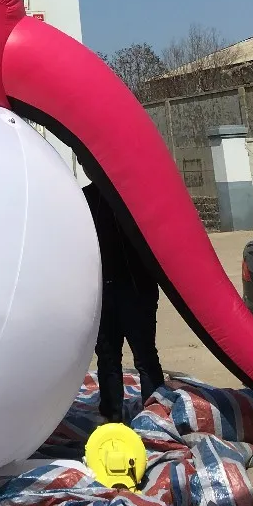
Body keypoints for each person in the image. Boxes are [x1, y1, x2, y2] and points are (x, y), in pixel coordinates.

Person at [83, 179, 165, 423]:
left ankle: (155, 416)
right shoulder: (87, 198)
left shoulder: (135, 194)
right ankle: (112, 415)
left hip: (137, 289)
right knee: (108, 356)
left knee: (144, 356)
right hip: (103, 291)